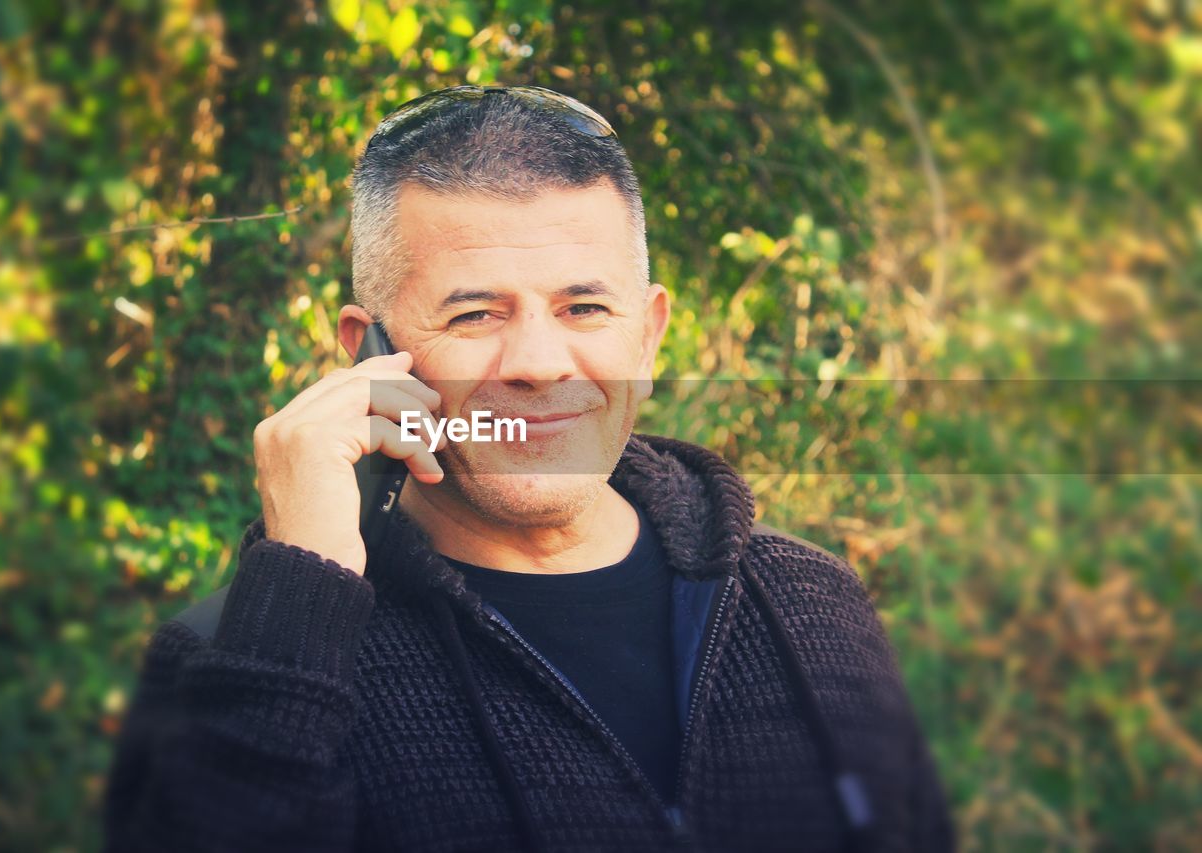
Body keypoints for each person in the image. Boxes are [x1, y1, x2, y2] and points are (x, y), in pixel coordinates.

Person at [104, 85, 954, 852]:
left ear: (649, 336)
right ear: (369, 353)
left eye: (585, 306)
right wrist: (299, 597)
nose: (542, 363)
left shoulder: (816, 607)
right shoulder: (237, 658)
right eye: (475, 313)